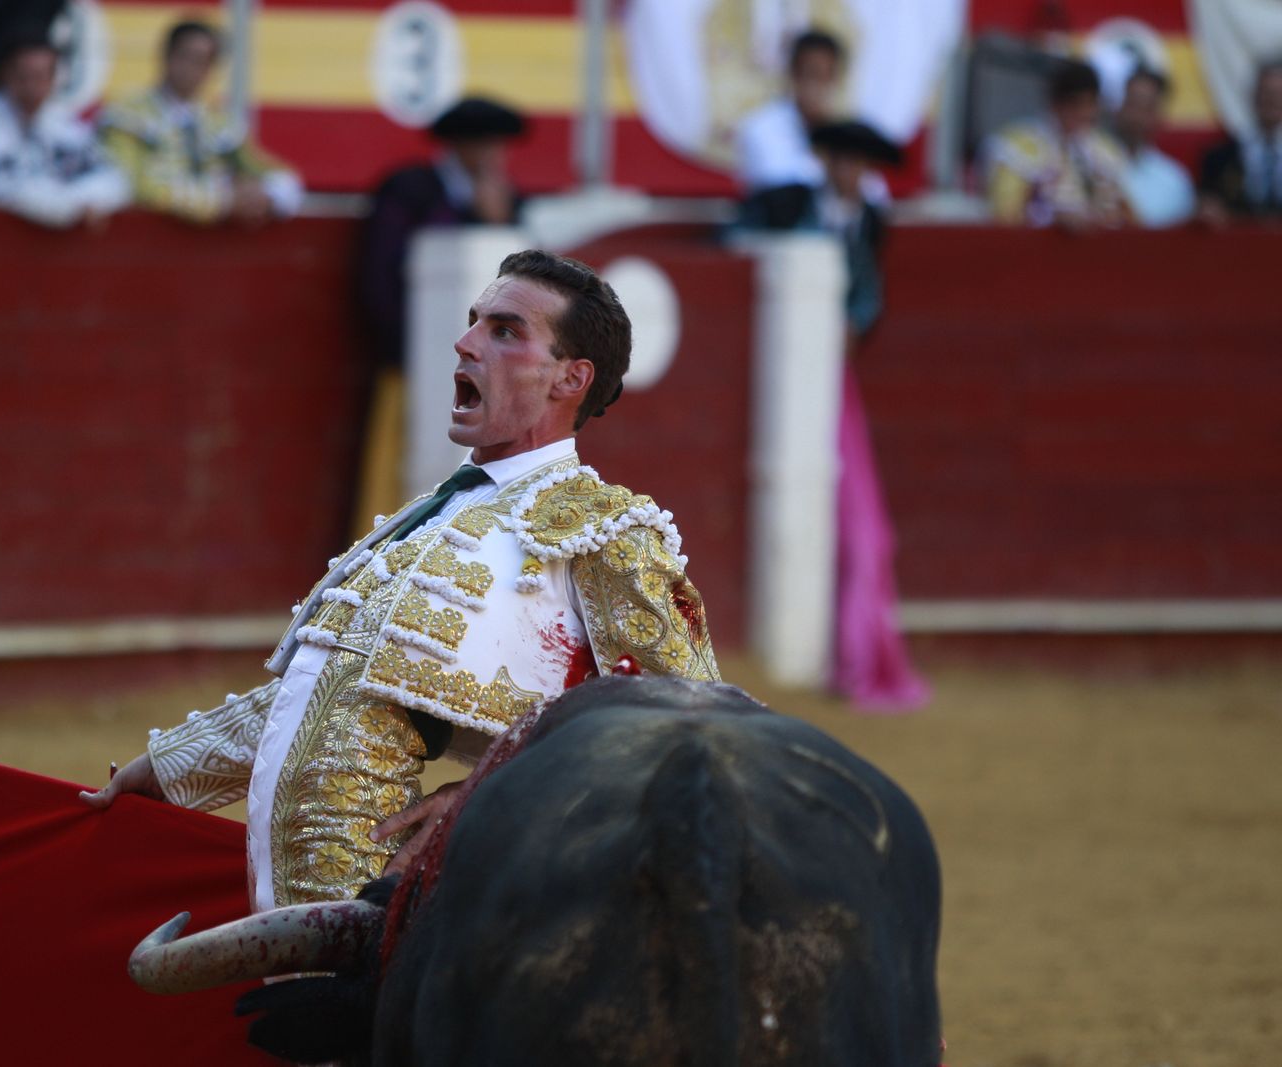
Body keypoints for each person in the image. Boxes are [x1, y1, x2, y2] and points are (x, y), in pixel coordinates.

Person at [83, 250, 723, 912]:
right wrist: (166, 767)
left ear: (571, 377)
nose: (466, 342)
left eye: (506, 331)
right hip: (287, 903)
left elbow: (696, 728)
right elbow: (326, 692)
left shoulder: (603, 530)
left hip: (399, 912)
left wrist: (488, 798)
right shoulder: (433, 516)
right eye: (475, 321)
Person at [737, 121, 929, 713]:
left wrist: (852, 324)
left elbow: (869, 295)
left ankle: (854, 654)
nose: (849, 172)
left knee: (863, 526)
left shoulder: (869, 221)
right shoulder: (783, 203)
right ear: (824, 162)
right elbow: (736, 248)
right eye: (841, 160)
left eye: (859, 164)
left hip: (831, 379)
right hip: (779, 372)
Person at [354, 95, 528, 529]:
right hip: (413, 360)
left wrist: (499, 224)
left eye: (498, 145)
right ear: (458, 145)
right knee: (403, 457)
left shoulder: (509, 200)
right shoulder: (410, 191)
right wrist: (404, 354)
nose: (494, 156)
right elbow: (379, 277)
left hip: (485, 373)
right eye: (484, 144)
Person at [98, 19, 301, 225]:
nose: (192, 68)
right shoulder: (128, 112)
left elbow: (266, 170)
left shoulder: (218, 120)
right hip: (148, 234)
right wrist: (222, 202)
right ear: (167, 56)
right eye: (186, 56)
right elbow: (131, 182)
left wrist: (266, 195)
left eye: (203, 61)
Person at [0, 27, 128, 228]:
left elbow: (112, 181)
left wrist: (70, 204)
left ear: (54, 78)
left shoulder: (64, 125)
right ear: (2, 74)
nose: (32, 87)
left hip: (43, 243)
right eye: (23, 76)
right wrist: (66, 207)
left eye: (41, 76)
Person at [734, 29, 887, 205]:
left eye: (828, 76)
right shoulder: (759, 129)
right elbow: (781, 185)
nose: (819, 87)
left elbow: (876, 192)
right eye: (812, 74)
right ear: (793, 75)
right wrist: (838, 173)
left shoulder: (843, 132)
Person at [983, 59, 1131, 228]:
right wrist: (1049, 218)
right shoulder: (1015, 148)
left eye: (1090, 104)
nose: (1084, 113)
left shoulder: (1108, 150)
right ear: (1055, 103)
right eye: (1075, 104)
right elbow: (1004, 216)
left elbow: (1130, 217)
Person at [1198, 60, 1282, 224]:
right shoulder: (1219, 158)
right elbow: (1207, 202)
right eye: (1266, 92)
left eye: (1279, 94)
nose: (1272, 100)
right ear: (1253, 96)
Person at [1110, 66, 1194, 229]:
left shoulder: (1174, 181)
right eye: (1133, 104)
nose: (1137, 117)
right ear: (1118, 106)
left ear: (1159, 115)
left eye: (1147, 108)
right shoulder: (1089, 163)